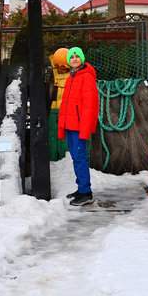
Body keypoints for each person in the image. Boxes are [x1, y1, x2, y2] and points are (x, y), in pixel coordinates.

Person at [57, 46, 98, 206]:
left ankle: (86, 193)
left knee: (80, 158)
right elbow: (66, 104)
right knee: (76, 158)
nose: (74, 58)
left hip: (79, 127)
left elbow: (90, 105)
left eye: (77, 56)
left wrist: (85, 128)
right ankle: (81, 189)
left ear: (82, 58)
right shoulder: (71, 77)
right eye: (72, 56)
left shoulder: (86, 77)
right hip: (70, 125)